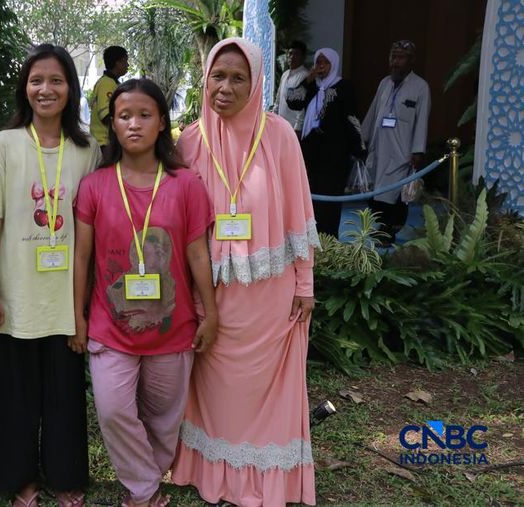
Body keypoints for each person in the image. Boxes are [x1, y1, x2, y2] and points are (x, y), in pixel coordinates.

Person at [170, 38, 318, 507]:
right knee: (215, 390)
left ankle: (263, 482)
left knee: (266, 392)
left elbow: (299, 214)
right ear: (205, 80)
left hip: (269, 295)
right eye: (218, 76)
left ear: (256, 84)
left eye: (239, 78)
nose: (226, 87)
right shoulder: (190, 141)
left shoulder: (279, 136)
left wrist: (305, 282)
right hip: (211, 295)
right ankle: (214, 475)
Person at [72, 78, 217, 507]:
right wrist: (77, 316)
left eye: (144, 115)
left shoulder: (186, 184)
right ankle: (145, 490)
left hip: (173, 329)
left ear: (161, 124)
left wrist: (211, 313)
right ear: (112, 126)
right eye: (124, 116)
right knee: (115, 411)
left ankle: (145, 482)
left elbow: (197, 255)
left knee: (163, 418)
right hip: (109, 326)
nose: (133, 124)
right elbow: (81, 259)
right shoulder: (95, 185)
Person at [0, 44, 101, 507]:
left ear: (70, 88)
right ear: (24, 89)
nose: (45, 89)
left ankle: (66, 476)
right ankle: (22, 478)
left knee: (65, 395)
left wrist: (83, 306)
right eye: (36, 81)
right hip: (15, 293)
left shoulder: (87, 149)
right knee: (16, 396)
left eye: (55, 80)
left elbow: (88, 231)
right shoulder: (2, 145)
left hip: (65, 295)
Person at [287, 48, 365, 237]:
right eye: (318, 62)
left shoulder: (343, 86)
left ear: (334, 64)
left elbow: (352, 118)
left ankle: (329, 240)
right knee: (311, 199)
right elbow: (292, 100)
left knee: (330, 200)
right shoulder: (312, 86)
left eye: (324, 62)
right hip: (312, 154)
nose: (320, 66)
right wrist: (308, 79)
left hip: (335, 156)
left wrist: (359, 148)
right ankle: (311, 239)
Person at [362, 40, 430, 243]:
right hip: (379, 149)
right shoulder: (385, 83)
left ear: (411, 61)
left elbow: (422, 121)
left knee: (396, 194)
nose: (395, 62)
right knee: (377, 193)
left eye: (400, 57)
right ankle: (381, 227)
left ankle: (391, 230)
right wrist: (362, 139)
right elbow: (373, 112)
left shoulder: (420, 87)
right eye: (393, 57)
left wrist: (418, 151)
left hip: (402, 152)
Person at [89, 45, 128, 157]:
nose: (128, 65)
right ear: (117, 63)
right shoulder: (107, 83)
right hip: (104, 143)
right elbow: (106, 115)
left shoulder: (112, 83)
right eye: (125, 61)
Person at [274, 40, 310, 136]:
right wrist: (273, 117)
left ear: (303, 57)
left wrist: (298, 128)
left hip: (293, 128)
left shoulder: (304, 76)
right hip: (280, 125)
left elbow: (302, 106)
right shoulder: (285, 74)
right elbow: (278, 100)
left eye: (296, 54)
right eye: (290, 54)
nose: (292, 57)